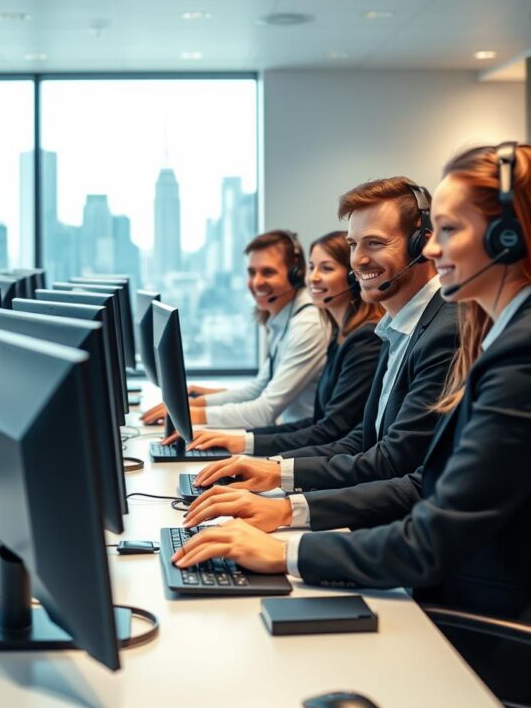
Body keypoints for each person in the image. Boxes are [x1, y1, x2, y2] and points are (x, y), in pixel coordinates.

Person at [173, 144, 531, 642]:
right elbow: (401, 466)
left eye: (448, 231)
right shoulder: (441, 329)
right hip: (442, 578)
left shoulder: (513, 354)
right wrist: (279, 493)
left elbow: (426, 518)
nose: (432, 250)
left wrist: (285, 549)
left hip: (476, 609)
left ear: (508, 238)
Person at [190, 178, 458, 497]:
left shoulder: (444, 332)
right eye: (353, 245)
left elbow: (395, 462)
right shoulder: (394, 327)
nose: (357, 260)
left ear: (422, 245)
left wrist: (285, 500)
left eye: (374, 243)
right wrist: (273, 469)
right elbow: (363, 439)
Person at [187, 231, 383, 456]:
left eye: (326, 268)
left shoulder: (357, 338)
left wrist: (242, 442)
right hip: (310, 447)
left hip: (322, 456)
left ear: (353, 277)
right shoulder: (339, 336)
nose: (313, 277)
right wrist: (202, 410)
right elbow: (267, 392)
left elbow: (331, 430)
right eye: (312, 267)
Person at [141, 229, 330, 430]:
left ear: (295, 275)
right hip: (289, 433)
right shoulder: (284, 319)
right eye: (251, 272)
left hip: (302, 439)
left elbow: (264, 411)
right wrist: (197, 401)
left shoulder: (308, 325)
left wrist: (187, 414)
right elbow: (258, 389)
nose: (256, 282)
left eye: (268, 272)